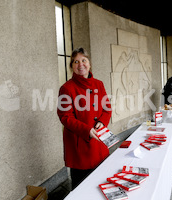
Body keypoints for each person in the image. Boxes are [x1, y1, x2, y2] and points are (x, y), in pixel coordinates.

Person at [57, 47, 112, 189]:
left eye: (84, 60)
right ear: (71, 66)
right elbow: (65, 117)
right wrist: (86, 130)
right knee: (81, 187)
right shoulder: (66, 88)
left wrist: (102, 121)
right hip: (79, 146)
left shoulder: (99, 84)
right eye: (76, 61)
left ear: (89, 63)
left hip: (99, 142)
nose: (80, 64)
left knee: (101, 183)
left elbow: (107, 108)